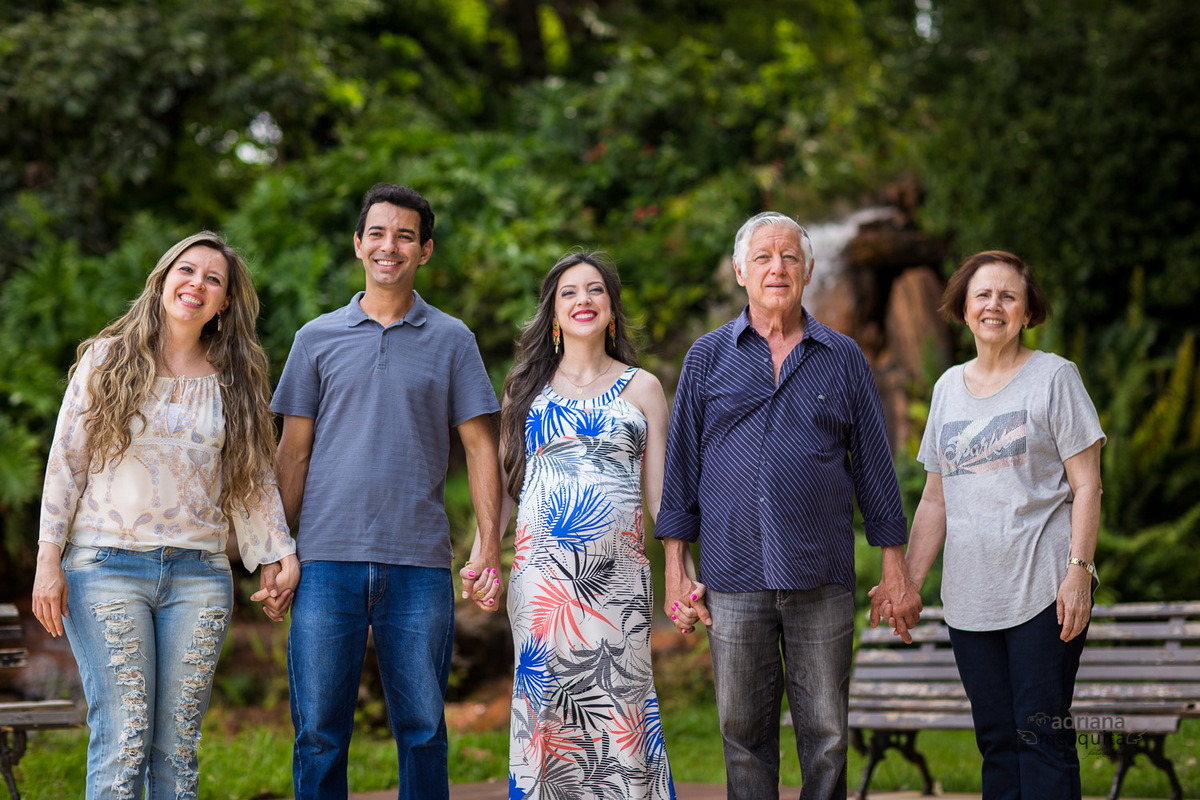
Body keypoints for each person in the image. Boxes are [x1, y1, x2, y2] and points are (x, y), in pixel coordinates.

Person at [658, 211, 919, 799]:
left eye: (789, 258)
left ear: (808, 269)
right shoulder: (706, 358)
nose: (777, 268)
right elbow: (681, 472)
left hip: (821, 575)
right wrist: (676, 567)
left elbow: (875, 469)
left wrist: (895, 569)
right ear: (739, 271)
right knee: (742, 736)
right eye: (764, 258)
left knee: (826, 737)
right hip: (733, 574)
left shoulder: (845, 357)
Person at [30, 231, 300, 799]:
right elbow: (66, 462)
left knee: (177, 748)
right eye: (187, 270)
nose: (196, 284)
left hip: (199, 576)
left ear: (225, 301)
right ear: (162, 278)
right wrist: (47, 560)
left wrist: (278, 556)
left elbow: (250, 478)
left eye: (213, 279)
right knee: (124, 736)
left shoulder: (237, 379)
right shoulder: (106, 360)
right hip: (104, 567)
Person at [271, 183, 503, 800]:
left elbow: (481, 447)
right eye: (377, 233)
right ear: (357, 244)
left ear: (424, 251)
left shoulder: (453, 339)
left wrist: (487, 546)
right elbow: (292, 452)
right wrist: (275, 550)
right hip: (325, 562)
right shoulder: (315, 338)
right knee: (318, 732)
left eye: (405, 235)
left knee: (423, 730)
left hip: (420, 564)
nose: (389, 246)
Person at [873, 250, 1104, 799]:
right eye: (983, 295)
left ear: (1027, 312)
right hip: (971, 601)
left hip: (1042, 590)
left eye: (1008, 296)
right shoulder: (948, 387)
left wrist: (1078, 573)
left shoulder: (1054, 377)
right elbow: (935, 499)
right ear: (964, 307)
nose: (993, 305)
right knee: (997, 739)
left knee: (1038, 733)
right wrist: (907, 579)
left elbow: (1088, 485)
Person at [461, 250, 676, 800]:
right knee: (549, 718)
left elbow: (662, 501)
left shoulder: (644, 388)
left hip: (619, 590)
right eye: (570, 292)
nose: (584, 300)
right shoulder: (523, 388)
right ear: (553, 312)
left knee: (621, 712)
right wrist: (483, 553)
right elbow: (507, 489)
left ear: (612, 308)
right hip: (544, 590)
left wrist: (680, 572)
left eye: (596, 290)